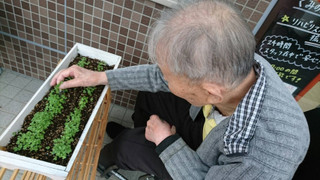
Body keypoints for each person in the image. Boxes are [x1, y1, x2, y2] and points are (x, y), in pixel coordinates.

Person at [50, 0, 310, 179]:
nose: (162, 76)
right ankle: (143, 132)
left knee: (129, 146)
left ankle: (108, 157)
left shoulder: (261, 160)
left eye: (169, 74)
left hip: (210, 167)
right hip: (212, 126)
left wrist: (167, 142)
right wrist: (99, 77)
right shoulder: (240, 61)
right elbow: (159, 78)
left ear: (211, 91)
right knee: (152, 91)